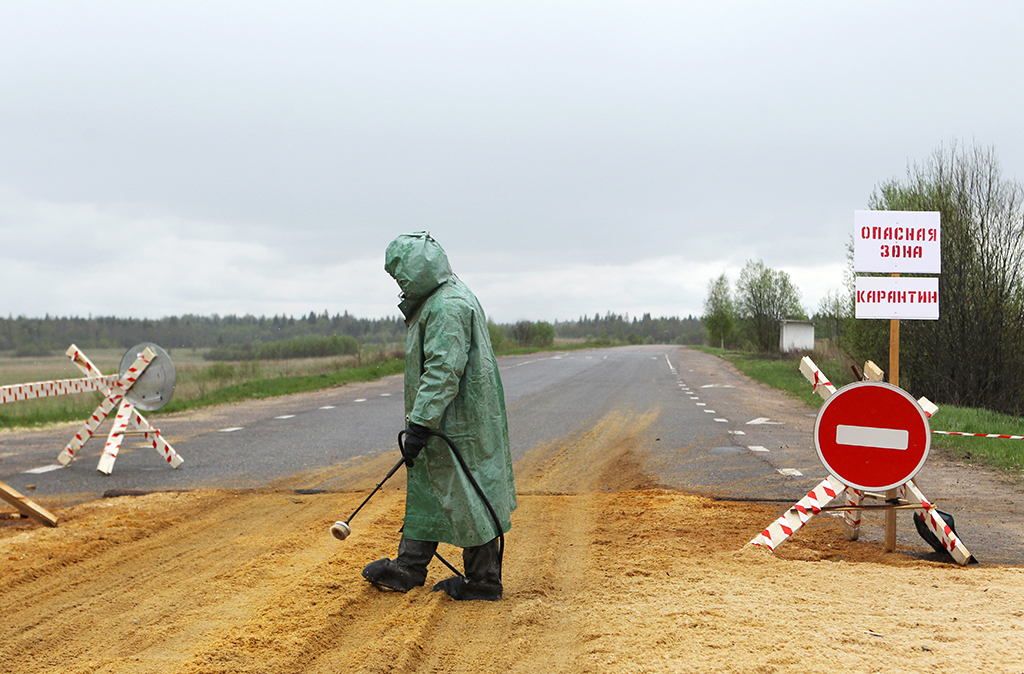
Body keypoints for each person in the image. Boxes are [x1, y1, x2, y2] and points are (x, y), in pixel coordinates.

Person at [361, 232, 517, 601]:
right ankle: (409, 567)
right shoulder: (441, 297)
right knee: (434, 487)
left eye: (400, 272)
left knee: (466, 493)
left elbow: (443, 369)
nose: (398, 281)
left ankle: (482, 581)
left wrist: (420, 421)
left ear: (417, 268)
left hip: (455, 420)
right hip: (448, 418)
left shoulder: (447, 305)